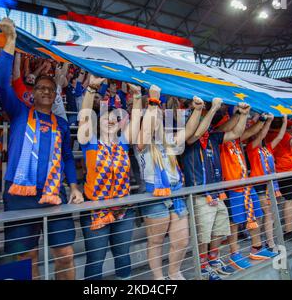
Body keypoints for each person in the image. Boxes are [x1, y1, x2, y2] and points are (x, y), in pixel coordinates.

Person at [0, 18, 84, 280]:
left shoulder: (62, 124)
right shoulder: (19, 111)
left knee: (65, 253)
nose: (45, 91)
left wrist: (75, 185)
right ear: (32, 93)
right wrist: (10, 42)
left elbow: (67, 157)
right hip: (20, 195)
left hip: (55, 192)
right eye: (40, 88)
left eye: (50, 89)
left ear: (55, 95)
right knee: (26, 257)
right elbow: (1, 83)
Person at [135, 85, 204, 280]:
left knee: (182, 240)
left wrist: (198, 110)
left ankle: (174, 273)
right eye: (154, 115)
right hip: (154, 193)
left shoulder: (168, 140)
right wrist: (153, 102)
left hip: (176, 192)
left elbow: (190, 130)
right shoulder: (140, 140)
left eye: (159, 115)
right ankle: (158, 279)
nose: (158, 118)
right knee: (155, 242)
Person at [77, 76, 142, 280]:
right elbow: (85, 117)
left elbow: (137, 116)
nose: (111, 120)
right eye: (106, 118)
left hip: (123, 210)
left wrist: (138, 95)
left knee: (123, 256)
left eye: (115, 119)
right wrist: (92, 88)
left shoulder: (123, 143)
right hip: (95, 209)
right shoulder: (90, 143)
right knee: (96, 260)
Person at [183, 98, 243, 279]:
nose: (206, 124)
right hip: (200, 194)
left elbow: (236, 132)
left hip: (217, 192)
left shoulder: (213, 137)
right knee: (204, 233)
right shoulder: (189, 138)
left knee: (219, 228)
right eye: (202, 119)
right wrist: (213, 108)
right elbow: (196, 133)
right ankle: (202, 264)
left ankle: (214, 258)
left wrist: (243, 114)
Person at [219, 105, 278, 270]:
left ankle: (257, 248)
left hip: (246, 184)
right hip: (232, 186)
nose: (241, 126)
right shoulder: (220, 138)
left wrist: (264, 120)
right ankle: (234, 254)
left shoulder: (236, 140)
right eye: (237, 121)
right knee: (235, 223)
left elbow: (252, 132)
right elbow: (228, 128)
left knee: (256, 216)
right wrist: (240, 114)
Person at [246, 114, 286, 253]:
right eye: (256, 132)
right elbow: (262, 135)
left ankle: (270, 241)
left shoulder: (267, 147)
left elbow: (280, 137)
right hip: (259, 184)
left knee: (270, 214)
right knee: (267, 213)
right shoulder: (251, 147)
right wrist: (268, 120)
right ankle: (269, 242)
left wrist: (285, 120)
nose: (259, 134)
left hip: (270, 185)